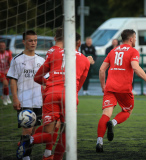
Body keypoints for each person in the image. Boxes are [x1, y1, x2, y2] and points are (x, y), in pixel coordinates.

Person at [16, 29, 92, 160]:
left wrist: (50, 83)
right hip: (69, 97)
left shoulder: (54, 53)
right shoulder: (85, 60)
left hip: (51, 94)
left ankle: (28, 141)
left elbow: (37, 78)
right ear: (79, 43)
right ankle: (53, 157)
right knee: (66, 132)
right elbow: (78, 87)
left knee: (49, 133)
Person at [96, 29, 146, 152]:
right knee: (128, 110)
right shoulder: (133, 51)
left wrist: (103, 86)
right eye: (135, 38)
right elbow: (135, 67)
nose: (135, 40)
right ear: (131, 39)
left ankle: (99, 142)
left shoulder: (113, 51)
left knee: (105, 114)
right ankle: (112, 123)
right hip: (123, 88)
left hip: (110, 87)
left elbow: (102, 70)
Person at [7, 30, 45, 160]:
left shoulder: (41, 60)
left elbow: (45, 82)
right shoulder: (17, 60)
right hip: (24, 100)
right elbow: (12, 80)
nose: (33, 43)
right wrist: (15, 98)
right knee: (27, 130)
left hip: (38, 101)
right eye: (30, 40)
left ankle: (24, 152)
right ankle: (25, 157)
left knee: (33, 132)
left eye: (35, 40)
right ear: (24, 42)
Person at [0, 41, 12, 105]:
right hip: (0, 72)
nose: (2, 47)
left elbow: (11, 63)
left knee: (5, 85)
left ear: (5, 46)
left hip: (7, 71)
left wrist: (9, 70)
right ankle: (7, 97)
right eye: (1, 45)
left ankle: (4, 97)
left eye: (3, 45)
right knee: (6, 83)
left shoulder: (8, 53)